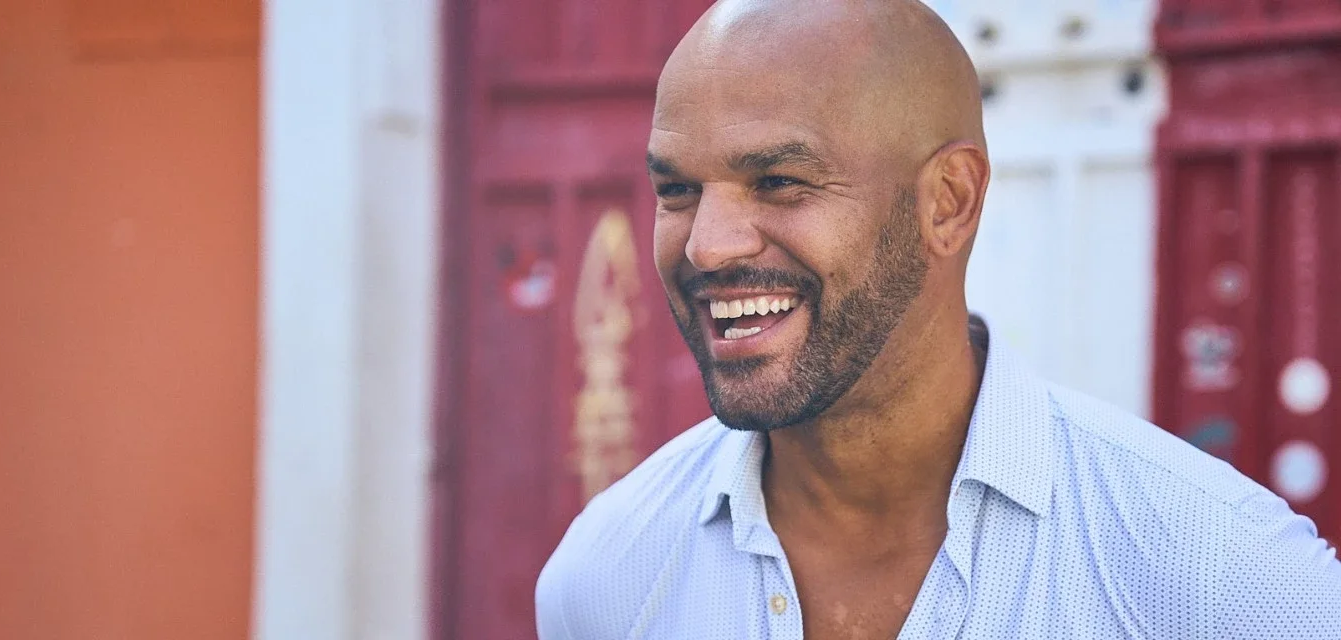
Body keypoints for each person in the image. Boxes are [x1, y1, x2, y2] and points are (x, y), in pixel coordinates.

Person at [534, 0, 1341, 638]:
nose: (706, 247)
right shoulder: (610, 578)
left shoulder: (1220, 577)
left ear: (948, 203)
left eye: (780, 180)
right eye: (677, 191)